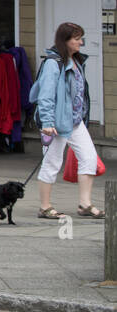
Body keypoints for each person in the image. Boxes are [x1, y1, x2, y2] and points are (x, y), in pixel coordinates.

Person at [33, 22, 101, 219]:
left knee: (89, 158)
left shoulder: (76, 61)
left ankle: (85, 204)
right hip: (56, 123)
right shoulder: (53, 64)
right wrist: (47, 123)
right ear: (65, 41)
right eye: (77, 38)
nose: (81, 42)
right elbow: (45, 95)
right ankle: (45, 207)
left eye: (81, 38)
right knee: (52, 162)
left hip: (75, 122)